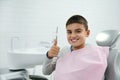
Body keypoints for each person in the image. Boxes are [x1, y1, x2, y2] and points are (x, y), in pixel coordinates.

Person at [42, 15, 109, 80]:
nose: (73, 35)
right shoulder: (64, 52)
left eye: (78, 31)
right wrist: (49, 56)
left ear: (87, 33)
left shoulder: (94, 52)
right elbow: (46, 72)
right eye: (69, 32)